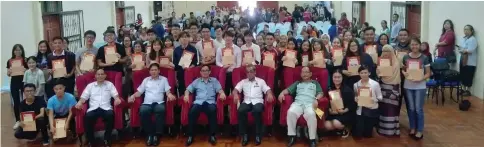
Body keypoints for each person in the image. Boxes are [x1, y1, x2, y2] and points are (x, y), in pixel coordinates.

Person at [128, 63, 176, 146]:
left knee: (160, 110)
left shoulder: (164, 79)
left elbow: (167, 91)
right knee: (143, 111)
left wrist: (170, 95)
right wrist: (132, 96)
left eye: (155, 70)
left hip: (159, 103)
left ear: (159, 71)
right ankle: (150, 134)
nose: (153, 71)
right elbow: (139, 92)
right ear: (149, 71)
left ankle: (157, 135)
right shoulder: (146, 80)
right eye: (152, 70)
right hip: (147, 103)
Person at [74, 68, 122, 146]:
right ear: (95, 76)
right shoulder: (90, 86)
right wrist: (79, 102)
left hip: (106, 108)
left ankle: (107, 139)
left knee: (110, 115)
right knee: (88, 117)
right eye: (98, 74)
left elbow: (115, 94)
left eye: (102, 74)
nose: (100, 76)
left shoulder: (109, 84)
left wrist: (117, 99)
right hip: (93, 108)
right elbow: (84, 97)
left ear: (105, 75)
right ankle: (91, 141)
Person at [278, 66, 323, 147]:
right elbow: (287, 90)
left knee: (312, 114)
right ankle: (292, 136)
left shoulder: (315, 83)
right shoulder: (297, 83)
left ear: (310, 74)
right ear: (301, 74)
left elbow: (321, 93)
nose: (304, 74)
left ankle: (312, 139)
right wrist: (281, 93)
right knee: (291, 112)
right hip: (298, 103)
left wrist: (316, 99)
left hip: (310, 104)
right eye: (303, 72)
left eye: (306, 72)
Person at [184, 65, 226, 146]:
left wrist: (222, 93)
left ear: (209, 72)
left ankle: (212, 135)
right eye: (203, 70)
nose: (205, 72)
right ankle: (190, 136)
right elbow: (188, 89)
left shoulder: (214, 81)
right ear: (200, 72)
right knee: (192, 112)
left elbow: (220, 90)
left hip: (210, 102)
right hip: (198, 102)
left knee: (212, 111)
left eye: (206, 70)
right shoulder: (197, 81)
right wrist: (186, 95)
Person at [232, 65, 274, 146]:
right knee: (241, 110)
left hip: (258, 101)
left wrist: (269, 94)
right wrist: (235, 94)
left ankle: (258, 135)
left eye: (251, 71)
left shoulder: (261, 81)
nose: (249, 73)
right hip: (247, 101)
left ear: (255, 72)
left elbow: (267, 89)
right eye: (247, 72)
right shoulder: (243, 81)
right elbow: (235, 90)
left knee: (257, 110)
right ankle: (244, 135)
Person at [402, 37, 431, 140]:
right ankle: (412, 128)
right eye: (412, 44)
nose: (414, 46)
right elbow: (403, 70)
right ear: (410, 46)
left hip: (420, 86)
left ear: (419, 45)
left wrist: (421, 78)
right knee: (411, 108)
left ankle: (419, 130)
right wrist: (405, 73)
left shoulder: (424, 57)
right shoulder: (405, 57)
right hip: (408, 85)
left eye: (416, 44)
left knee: (418, 109)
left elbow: (428, 73)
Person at [376, 45, 402, 136]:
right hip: (382, 87)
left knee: (391, 109)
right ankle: (383, 130)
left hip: (393, 89)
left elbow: (396, 78)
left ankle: (391, 130)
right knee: (383, 109)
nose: (386, 53)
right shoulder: (380, 62)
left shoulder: (396, 62)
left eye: (388, 51)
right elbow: (379, 76)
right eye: (384, 51)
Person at [352, 66, 382, 138]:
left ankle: (372, 129)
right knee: (358, 135)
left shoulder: (375, 84)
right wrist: (355, 99)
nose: (364, 74)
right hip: (361, 110)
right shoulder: (356, 85)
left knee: (367, 135)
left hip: (371, 110)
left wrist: (373, 100)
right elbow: (355, 96)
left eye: (365, 72)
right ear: (359, 74)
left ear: (369, 73)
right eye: (361, 73)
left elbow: (380, 98)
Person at [325, 69, 356, 138]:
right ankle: (338, 130)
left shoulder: (348, 90)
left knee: (336, 123)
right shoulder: (329, 89)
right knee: (326, 126)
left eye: (339, 77)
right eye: (335, 77)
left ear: (342, 78)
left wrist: (345, 110)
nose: (336, 79)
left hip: (345, 113)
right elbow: (327, 103)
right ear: (332, 78)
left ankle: (346, 128)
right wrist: (330, 110)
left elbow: (352, 104)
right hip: (334, 113)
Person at [7, 44, 28, 130]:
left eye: (19, 50)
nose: (18, 51)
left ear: (22, 51)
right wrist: (9, 72)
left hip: (24, 81)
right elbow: (8, 74)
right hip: (14, 81)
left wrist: (25, 70)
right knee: (16, 101)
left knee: (27, 100)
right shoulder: (10, 61)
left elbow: (29, 69)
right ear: (13, 51)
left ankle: (27, 119)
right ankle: (18, 120)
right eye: (16, 50)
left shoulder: (25, 60)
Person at [215, 31, 242, 95]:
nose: (227, 38)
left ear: (233, 38)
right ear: (223, 38)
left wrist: (235, 70)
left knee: (234, 92)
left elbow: (239, 63)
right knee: (225, 91)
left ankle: (233, 104)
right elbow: (217, 61)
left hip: (234, 73)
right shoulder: (220, 49)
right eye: (225, 36)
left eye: (229, 36)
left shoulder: (237, 49)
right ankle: (225, 105)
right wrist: (222, 66)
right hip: (224, 73)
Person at [458, 25, 477, 96]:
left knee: (468, 76)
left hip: (470, 62)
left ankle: (468, 91)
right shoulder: (463, 38)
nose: (466, 31)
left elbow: (470, 50)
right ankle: (463, 89)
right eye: (465, 29)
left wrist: (463, 50)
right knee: (462, 74)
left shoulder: (473, 39)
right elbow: (461, 48)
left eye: (467, 29)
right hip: (463, 59)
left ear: (471, 31)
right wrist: (461, 49)